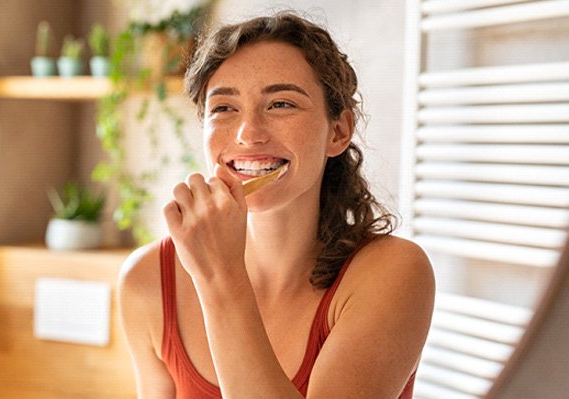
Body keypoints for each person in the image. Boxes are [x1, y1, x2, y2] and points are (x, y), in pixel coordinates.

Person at [119, 10, 435, 399]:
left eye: (281, 104)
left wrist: (219, 277)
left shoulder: (392, 273)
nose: (248, 133)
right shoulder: (148, 280)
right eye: (223, 108)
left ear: (338, 132)